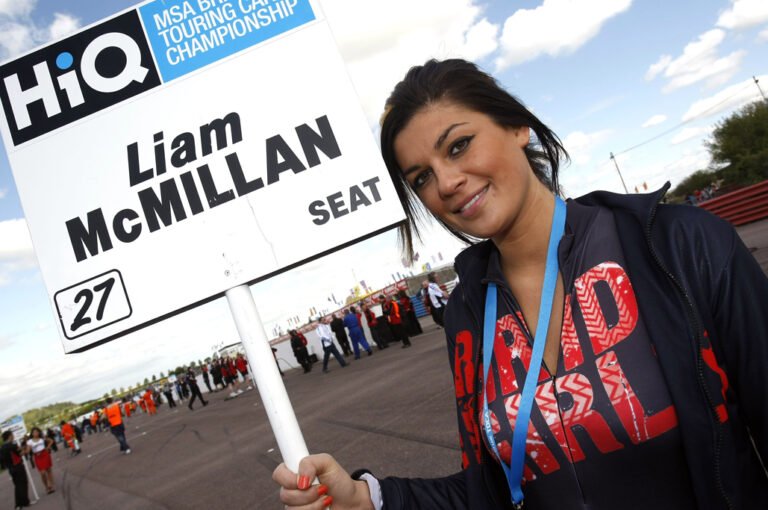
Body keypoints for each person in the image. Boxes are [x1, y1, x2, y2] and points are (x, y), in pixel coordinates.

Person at [273, 59, 768, 509]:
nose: (445, 183)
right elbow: (490, 493)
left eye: (459, 145)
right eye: (421, 177)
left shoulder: (681, 247)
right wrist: (365, 498)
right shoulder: (469, 310)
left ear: (517, 127)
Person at [1, 430, 32, 508]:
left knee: (17, 485)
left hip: (10, 468)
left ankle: (19, 504)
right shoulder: (13, 445)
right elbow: (21, 453)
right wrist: (27, 449)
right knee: (23, 484)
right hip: (18, 466)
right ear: (9, 436)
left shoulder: (2, 448)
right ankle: (24, 502)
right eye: (12, 435)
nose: (13, 436)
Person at [28, 426, 55, 494]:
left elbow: (51, 441)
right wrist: (26, 450)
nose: (36, 433)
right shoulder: (30, 441)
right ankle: (46, 486)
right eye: (34, 432)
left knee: (48, 470)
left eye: (37, 432)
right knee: (42, 473)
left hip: (45, 454)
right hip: (37, 456)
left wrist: (48, 447)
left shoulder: (42, 438)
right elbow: (28, 451)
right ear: (32, 433)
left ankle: (50, 485)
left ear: (39, 432)